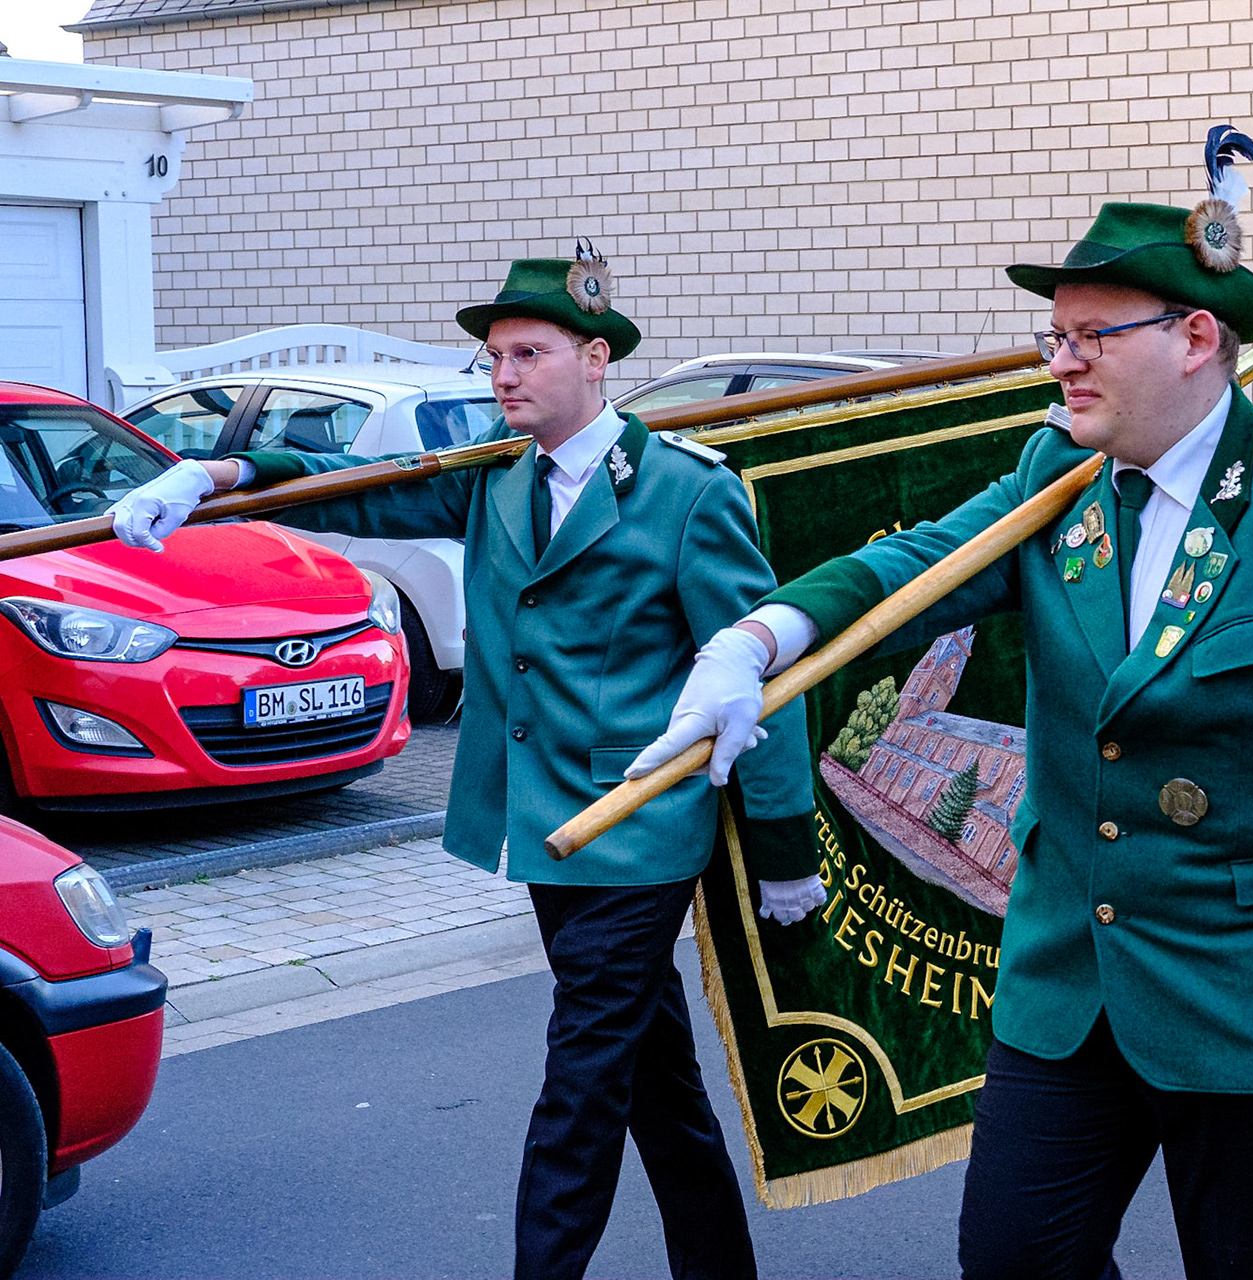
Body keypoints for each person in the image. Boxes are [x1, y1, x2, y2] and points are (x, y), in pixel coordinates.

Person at [635, 145, 1253, 1278]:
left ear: (1195, 338)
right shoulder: (1057, 477)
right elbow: (916, 567)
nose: (1061, 363)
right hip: (1071, 980)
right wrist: (756, 639)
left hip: (1250, 996)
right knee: (1014, 1258)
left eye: (1089, 337)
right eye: (1054, 337)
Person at [109, 245, 826, 1280]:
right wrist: (217, 476)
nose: (503, 374)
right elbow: (351, 492)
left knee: (580, 1088)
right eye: (494, 357)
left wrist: (784, 845)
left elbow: (762, 669)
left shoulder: (685, 491)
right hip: (540, 824)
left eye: (528, 353)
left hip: (640, 828)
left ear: (596, 358)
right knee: (654, 1081)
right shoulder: (496, 476)